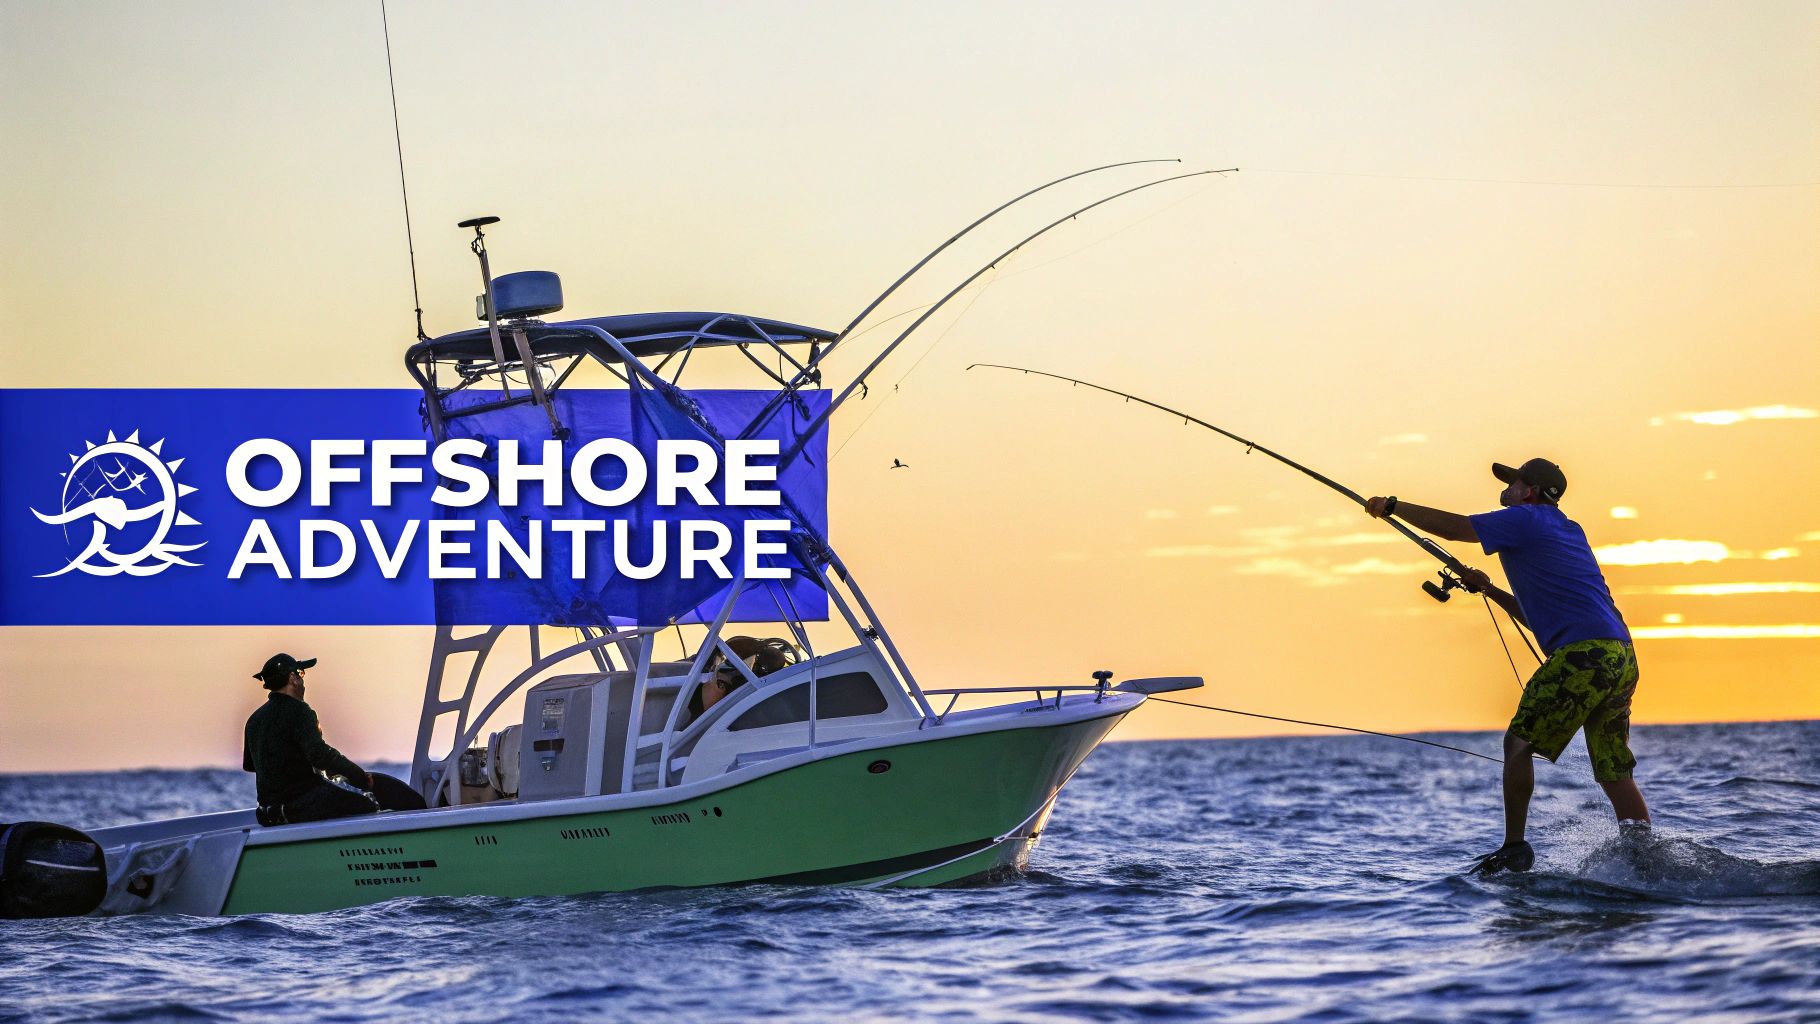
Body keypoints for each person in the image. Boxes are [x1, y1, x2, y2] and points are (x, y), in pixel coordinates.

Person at [1366, 458, 1647, 875]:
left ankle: (1514, 848)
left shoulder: (1527, 518)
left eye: (1513, 482)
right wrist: (1490, 588)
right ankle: (1644, 857)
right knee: (1612, 770)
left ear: (1529, 491)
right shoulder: (1568, 531)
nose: (1507, 489)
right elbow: (1538, 620)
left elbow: (1459, 528)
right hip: (1620, 656)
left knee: (1517, 744)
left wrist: (1392, 506)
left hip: (1584, 654)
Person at [244, 653, 424, 826]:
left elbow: (250, 765)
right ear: (292, 678)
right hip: (300, 808)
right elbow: (320, 755)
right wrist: (357, 775)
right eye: (301, 673)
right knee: (368, 803)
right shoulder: (299, 711)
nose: (303, 680)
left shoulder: (253, 720)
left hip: (267, 815)